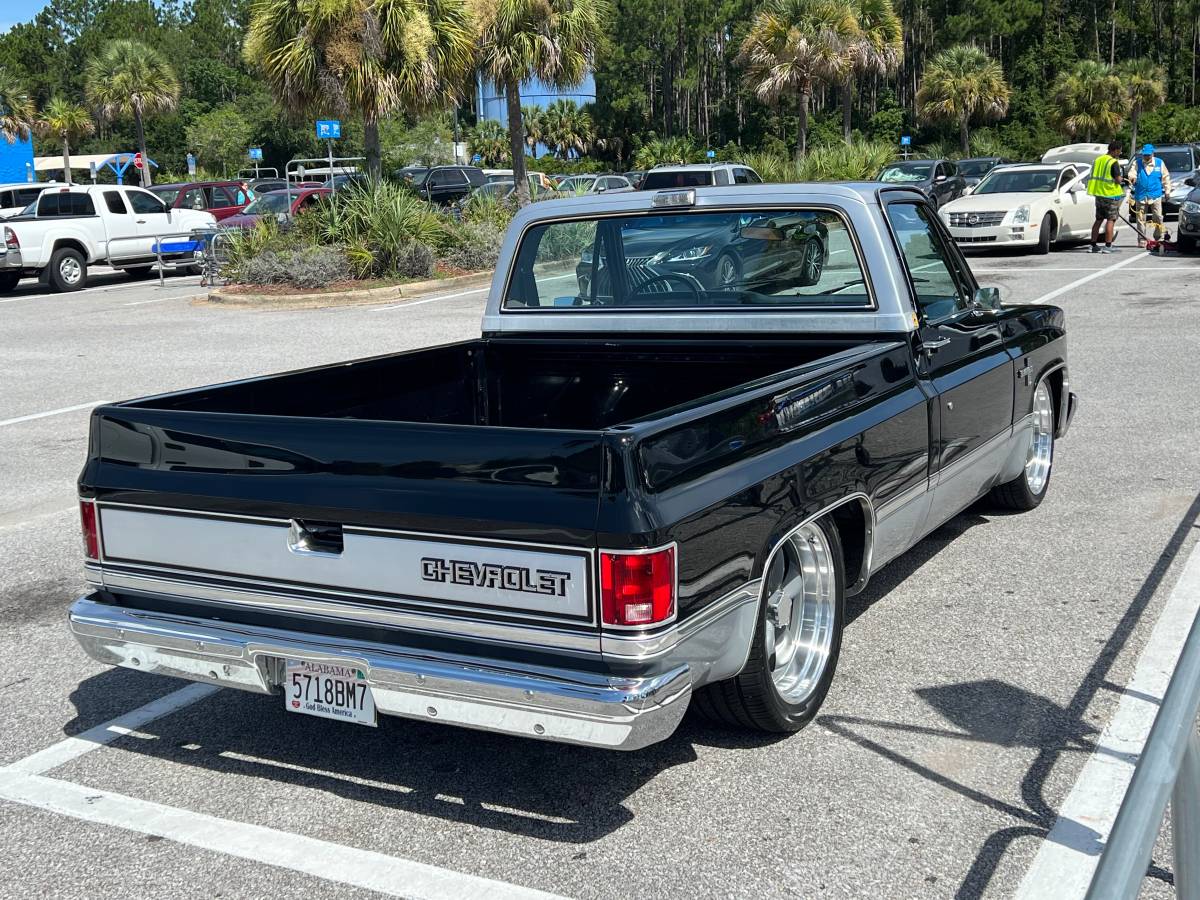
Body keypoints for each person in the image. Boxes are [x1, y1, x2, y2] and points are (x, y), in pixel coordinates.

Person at [1126, 143, 1173, 247]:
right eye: (1145, 155)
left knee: (1157, 216)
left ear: (1152, 153)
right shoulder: (1137, 163)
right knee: (1140, 218)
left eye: (1148, 155)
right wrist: (1132, 178)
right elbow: (1131, 173)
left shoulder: (1159, 163)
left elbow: (1166, 177)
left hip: (1155, 194)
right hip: (1141, 195)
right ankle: (1142, 239)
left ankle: (1158, 236)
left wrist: (1167, 191)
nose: (1146, 157)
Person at [1087, 141, 1127, 253]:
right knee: (1110, 220)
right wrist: (1123, 180)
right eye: (1120, 150)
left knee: (1098, 220)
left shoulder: (1098, 160)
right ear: (1115, 150)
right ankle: (1108, 246)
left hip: (1099, 194)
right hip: (1110, 194)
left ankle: (1093, 245)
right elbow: (1118, 179)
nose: (1120, 153)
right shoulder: (1113, 162)